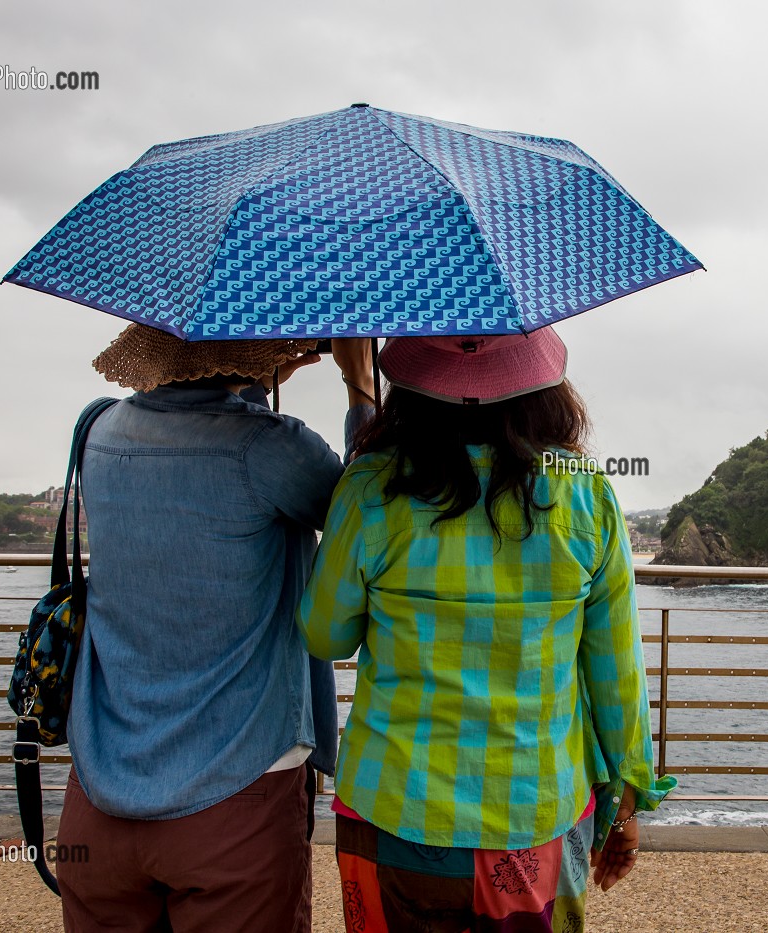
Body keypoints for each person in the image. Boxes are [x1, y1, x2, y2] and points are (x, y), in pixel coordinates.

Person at [298, 327, 675, 932]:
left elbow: (326, 637)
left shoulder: (369, 487)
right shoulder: (584, 493)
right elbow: (617, 676)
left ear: (413, 386)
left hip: (392, 809)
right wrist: (630, 801)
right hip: (535, 818)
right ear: (542, 385)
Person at [55, 324, 375, 933]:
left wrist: (251, 383)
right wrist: (360, 386)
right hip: (240, 787)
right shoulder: (268, 446)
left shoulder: (96, 431)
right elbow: (368, 516)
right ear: (255, 352)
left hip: (100, 788)